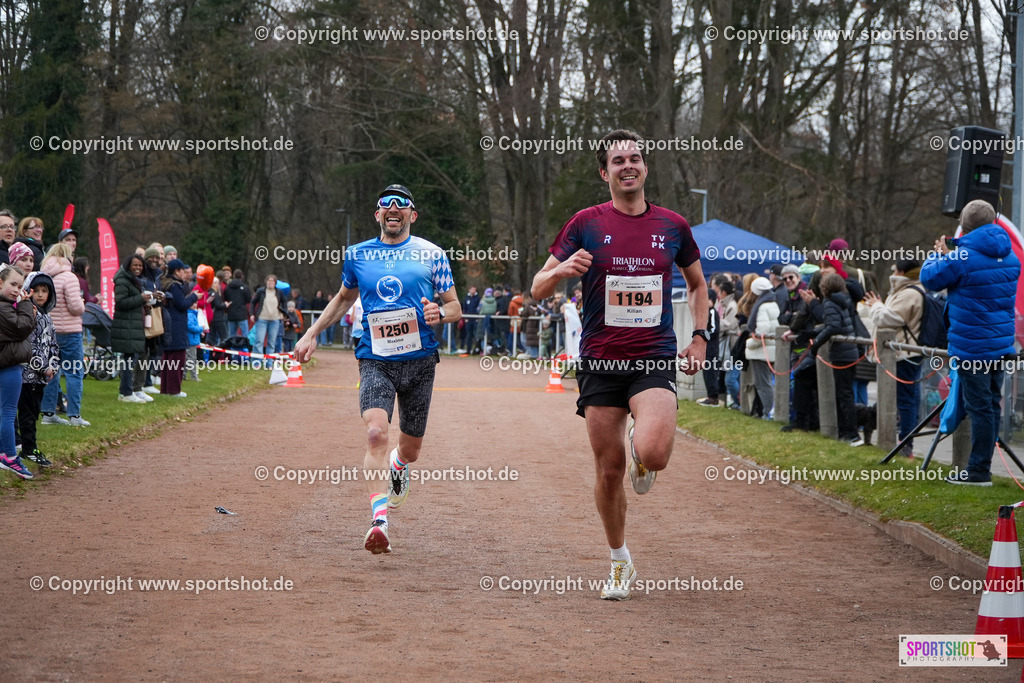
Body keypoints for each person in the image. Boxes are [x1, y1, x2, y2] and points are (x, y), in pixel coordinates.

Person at [529, 129, 708, 601]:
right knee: (609, 472)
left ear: (645, 167)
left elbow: (697, 285)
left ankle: (640, 447)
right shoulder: (585, 223)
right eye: (617, 160)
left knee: (655, 454)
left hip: (652, 357)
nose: (627, 165)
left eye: (635, 158)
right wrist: (560, 271)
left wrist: (699, 337)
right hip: (601, 362)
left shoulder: (673, 225)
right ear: (604, 172)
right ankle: (619, 560)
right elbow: (537, 287)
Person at [294, 184, 461, 555]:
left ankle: (399, 465)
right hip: (374, 358)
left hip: (420, 361)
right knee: (374, 433)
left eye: (401, 204)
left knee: (411, 450)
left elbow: (455, 306)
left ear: (412, 215)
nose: (393, 208)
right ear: (378, 214)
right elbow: (343, 298)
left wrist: (440, 312)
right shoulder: (358, 254)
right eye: (386, 203)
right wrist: (311, 333)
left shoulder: (432, 254)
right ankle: (379, 521)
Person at [922, 200, 1020, 485]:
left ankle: (978, 470)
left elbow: (930, 278)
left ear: (964, 226)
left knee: (979, 408)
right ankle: (981, 466)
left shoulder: (961, 258)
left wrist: (937, 255)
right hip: (1000, 346)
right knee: (990, 405)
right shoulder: (1010, 256)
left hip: (972, 348)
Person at [863, 259, 924, 456]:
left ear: (902, 272)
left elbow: (888, 318)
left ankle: (905, 444)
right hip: (905, 353)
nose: (892, 274)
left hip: (904, 355)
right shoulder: (906, 290)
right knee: (907, 399)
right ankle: (904, 442)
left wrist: (875, 306)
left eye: (895, 270)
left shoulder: (909, 293)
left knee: (906, 401)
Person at [39, 243, 89, 427]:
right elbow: (76, 308)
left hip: (49, 331)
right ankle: (74, 415)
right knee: (74, 372)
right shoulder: (69, 277)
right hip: (69, 331)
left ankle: (48, 413)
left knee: (51, 372)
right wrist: (82, 304)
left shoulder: (44, 275)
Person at [809, 273, 862, 446]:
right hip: (851, 352)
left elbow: (833, 326)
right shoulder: (845, 300)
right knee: (846, 393)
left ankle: (852, 434)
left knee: (844, 394)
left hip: (842, 354)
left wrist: (816, 343)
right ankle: (845, 432)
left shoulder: (829, 301)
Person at [17, 271, 58, 467]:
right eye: (36, 290)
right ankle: (29, 449)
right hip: (27, 376)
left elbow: (54, 345)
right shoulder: (29, 315)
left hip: (41, 377)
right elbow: (28, 347)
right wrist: (43, 368)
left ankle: (29, 447)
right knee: (27, 413)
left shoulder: (47, 317)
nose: (40, 295)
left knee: (34, 411)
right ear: (29, 291)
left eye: (45, 291)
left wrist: (53, 366)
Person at [0, 266, 36, 478]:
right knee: (7, 412)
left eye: (20, 286)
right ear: (0, 282)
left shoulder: (6, 306)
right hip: (9, 366)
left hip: (8, 363)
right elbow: (22, 327)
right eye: (13, 284)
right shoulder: (4, 308)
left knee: (4, 411)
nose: (16, 290)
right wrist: (25, 305)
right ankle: (10, 458)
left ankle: (4, 453)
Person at [111, 254, 153, 403]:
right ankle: (126, 392)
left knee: (131, 359)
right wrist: (141, 298)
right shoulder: (122, 281)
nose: (138, 268)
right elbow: (121, 302)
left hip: (134, 325)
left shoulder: (136, 281)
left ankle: (128, 391)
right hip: (126, 325)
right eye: (135, 265)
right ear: (129, 265)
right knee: (129, 360)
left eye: (140, 266)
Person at [159, 259, 198, 397]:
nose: (184, 273)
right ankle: (174, 390)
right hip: (176, 324)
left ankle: (165, 389)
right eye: (182, 270)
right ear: (176, 271)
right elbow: (182, 304)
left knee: (168, 357)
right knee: (177, 357)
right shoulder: (174, 286)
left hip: (169, 323)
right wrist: (194, 297)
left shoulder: (167, 284)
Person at [744, 277, 779, 420]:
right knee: (768, 382)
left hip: (761, 351)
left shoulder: (762, 306)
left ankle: (768, 412)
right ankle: (771, 411)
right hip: (770, 349)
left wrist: (749, 344)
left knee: (762, 384)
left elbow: (762, 332)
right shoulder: (773, 303)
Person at [251, 274, 286, 365]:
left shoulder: (279, 292)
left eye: (272, 281)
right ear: (266, 282)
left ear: (275, 283)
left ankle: (269, 363)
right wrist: (252, 314)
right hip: (262, 319)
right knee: (259, 341)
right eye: (269, 281)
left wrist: (283, 313)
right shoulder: (261, 291)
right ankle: (257, 362)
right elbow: (253, 302)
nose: (270, 283)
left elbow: (284, 302)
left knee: (271, 342)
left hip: (275, 320)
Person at [224, 269, 252, 338]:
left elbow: (225, 298)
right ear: (242, 277)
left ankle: (232, 345)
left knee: (231, 335)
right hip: (242, 314)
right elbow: (249, 299)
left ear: (233, 276)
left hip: (231, 313)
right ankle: (244, 345)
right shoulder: (245, 287)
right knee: (245, 335)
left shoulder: (228, 287)